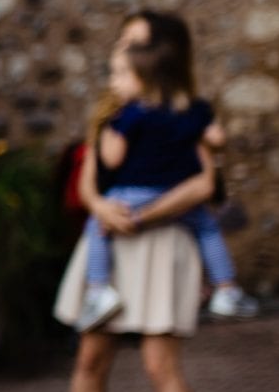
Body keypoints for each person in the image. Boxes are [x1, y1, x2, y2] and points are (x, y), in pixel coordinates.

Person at [35, 11, 221, 392]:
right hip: (110, 243)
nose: (124, 49)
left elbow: (207, 185)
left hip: (160, 242)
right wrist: (98, 208)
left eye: (135, 41)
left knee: (161, 364)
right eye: (123, 40)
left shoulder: (187, 112)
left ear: (162, 54)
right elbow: (91, 178)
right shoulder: (113, 108)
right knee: (90, 357)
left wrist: (143, 215)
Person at [76, 42, 252, 330]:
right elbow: (217, 138)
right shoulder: (191, 110)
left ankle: (98, 291)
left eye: (120, 75)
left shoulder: (129, 115)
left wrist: (105, 131)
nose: (113, 83)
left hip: (132, 194)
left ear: (143, 79)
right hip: (177, 199)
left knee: (98, 225)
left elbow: (112, 157)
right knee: (207, 227)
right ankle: (226, 289)